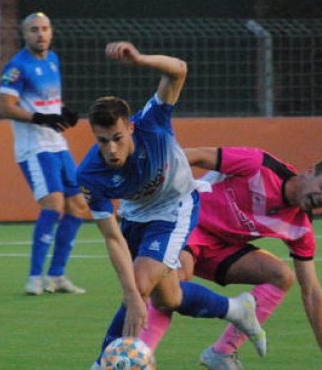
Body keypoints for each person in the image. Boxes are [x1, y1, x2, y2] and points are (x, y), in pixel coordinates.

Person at [77, 42, 266, 368]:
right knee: (170, 297)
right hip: (136, 216)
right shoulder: (89, 174)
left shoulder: (152, 121)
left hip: (175, 208)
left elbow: (178, 69)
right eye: (102, 141)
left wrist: (140, 59)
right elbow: (112, 238)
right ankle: (237, 310)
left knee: (139, 285)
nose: (111, 149)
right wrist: (132, 298)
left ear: (130, 127)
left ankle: (101, 365)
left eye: (118, 138)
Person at [181, 146, 322, 370]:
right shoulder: (258, 164)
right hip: (186, 223)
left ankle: (222, 352)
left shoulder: (300, 228)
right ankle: (135, 345)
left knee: (282, 276)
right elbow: (199, 155)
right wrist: (154, 175)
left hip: (219, 250)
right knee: (171, 286)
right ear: (310, 171)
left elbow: (311, 289)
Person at [0, 12, 87, 296]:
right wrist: (39, 119)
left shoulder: (52, 60)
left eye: (45, 28)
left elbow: (49, 99)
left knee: (78, 206)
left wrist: (61, 113)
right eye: (34, 29)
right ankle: (35, 277)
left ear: (51, 32)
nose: (41, 34)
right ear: (24, 34)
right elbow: (6, 105)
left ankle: (57, 275)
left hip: (57, 144)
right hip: (34, 148)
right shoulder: (17, 66)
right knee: (54, 205)